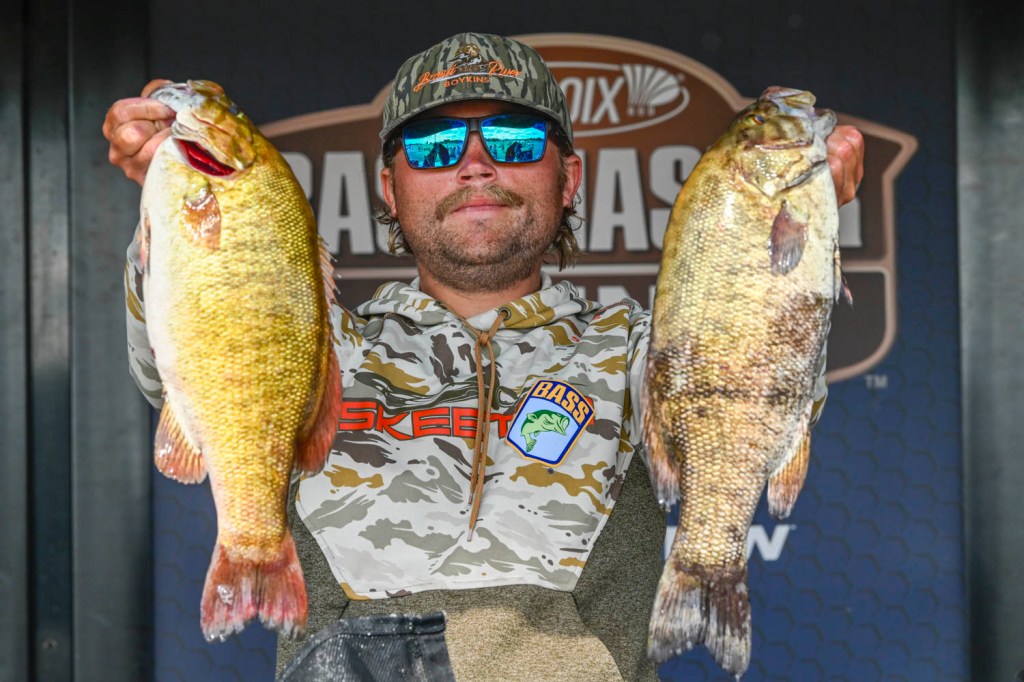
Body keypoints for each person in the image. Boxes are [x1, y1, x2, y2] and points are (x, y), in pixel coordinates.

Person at [103, 32, 863, 682]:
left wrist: (781, 223)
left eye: (514, 142)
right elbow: (189, 333)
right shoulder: (316, 344)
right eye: (434, 146)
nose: (474, 165)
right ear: (389, 188)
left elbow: (757, 363)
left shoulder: (638, 349)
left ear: (568, 178)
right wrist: (174, 199)